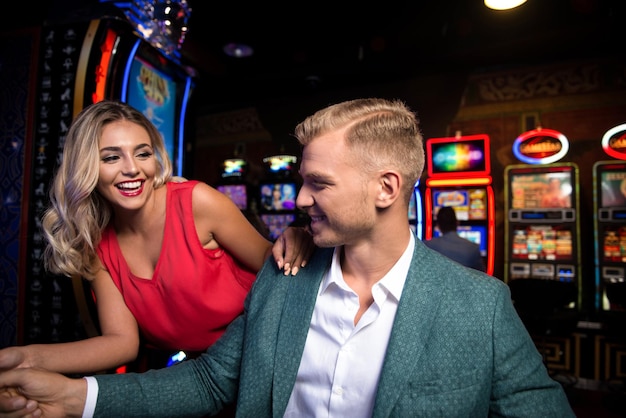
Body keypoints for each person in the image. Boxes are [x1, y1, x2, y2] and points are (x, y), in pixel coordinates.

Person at [0, 98, 574, 417]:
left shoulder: (480, 305)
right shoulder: (284, 279)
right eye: (300, 181)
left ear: (386, 187)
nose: (296, 202)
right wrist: (77, 397)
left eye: (317, 184)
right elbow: (207, 382)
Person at [0, 100, 314, 377]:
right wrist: (25, 358)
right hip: (199, 379)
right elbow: (120, 343)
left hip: (270, 360)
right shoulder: (97, 245)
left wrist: (297, 238)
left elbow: (279, 270)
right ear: (86, 168)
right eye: (111, 158)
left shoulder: (196, 203)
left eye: (143, 153)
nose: (132, 169)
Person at [423, 206, 486, 272]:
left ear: (438, 225)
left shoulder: (427, 246)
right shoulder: (472, 248)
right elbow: (481, 276)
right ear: (457, 223)